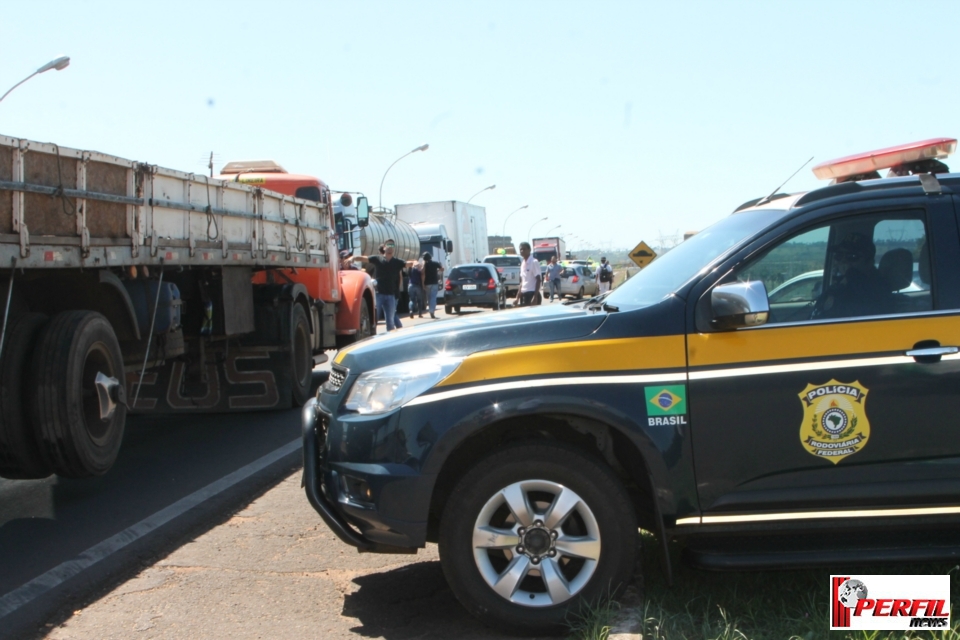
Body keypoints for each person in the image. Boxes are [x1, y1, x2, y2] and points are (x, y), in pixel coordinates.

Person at [814, 232, 894, 319]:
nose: (843, 261)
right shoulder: (839, 284)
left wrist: (851, 274)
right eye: (839, 256)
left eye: (852, 256)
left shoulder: (877, 289)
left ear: (869, 262)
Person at [368, 239, 405, 331]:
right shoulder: (378, 259)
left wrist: (416, 263)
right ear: (384, 247)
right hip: (378, 294)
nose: (390, 247)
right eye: (388, 245)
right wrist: (353, 258)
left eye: (392, 246)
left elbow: (407, 264)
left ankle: (391, 340)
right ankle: (372, 337)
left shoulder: (397, 262)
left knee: (390, 321)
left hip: (391, 295)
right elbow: (364, 258)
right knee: (374, 318)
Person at [516, 241, 541, 306]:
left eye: (524, 249)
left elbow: (538, 279)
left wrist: (535, 297)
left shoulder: (534, 262)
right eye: (521, 249)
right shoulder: (523, 263)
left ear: (529, 250)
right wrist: (517, 298)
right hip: (524, 294)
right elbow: (522, 281)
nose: (522, 251)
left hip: (532, 294)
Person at [422, 252, 443, 319]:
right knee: (433, 297)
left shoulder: (424, 265)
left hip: (427, 284)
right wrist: (438, 272)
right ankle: (432, 311)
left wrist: (423, 284)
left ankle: (430, 310)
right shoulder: (435, 263)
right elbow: (442, 268)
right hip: (434, 283)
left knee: (429, 298)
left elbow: (422, 274)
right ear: (430, 257)